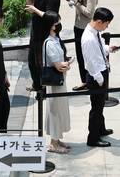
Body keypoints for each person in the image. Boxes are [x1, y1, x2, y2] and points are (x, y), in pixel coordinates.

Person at [82, 7, 120, 147]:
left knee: (100, 105)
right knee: (96, 108)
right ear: (99, 21)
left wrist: (108, 48)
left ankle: (100, 129)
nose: (107, 26)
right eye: (106, 23)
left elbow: (98, 49)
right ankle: (93, 138)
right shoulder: (88, 38)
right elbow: (90, 62)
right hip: (96, 76)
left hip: (101, 71)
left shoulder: (95, 32)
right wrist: (100, 79)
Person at [25, 0, 60, 91]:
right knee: (32, 62)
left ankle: (44, 88)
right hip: (36, 31)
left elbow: (52, 16)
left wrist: (35, 10)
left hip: (45, 33)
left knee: (42, 63)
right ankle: (37, 85)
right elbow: (29, 4)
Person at [65, 0, 98, 91]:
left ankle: (91, 81)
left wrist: (76, 3)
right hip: (77, 27)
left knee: (87, 57)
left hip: (87, 29)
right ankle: (84, 81)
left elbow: (89, 13)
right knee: (80, 57)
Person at [43, 12, 71, 153]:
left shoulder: (55, 39)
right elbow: (58, 65)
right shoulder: (49, 43)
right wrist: (67, 64)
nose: (59, 25)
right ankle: (53, 143)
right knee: (54, 111)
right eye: (56, 23)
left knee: (59, 110)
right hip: (54, 83)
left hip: (60, 80)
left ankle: (57, 139)